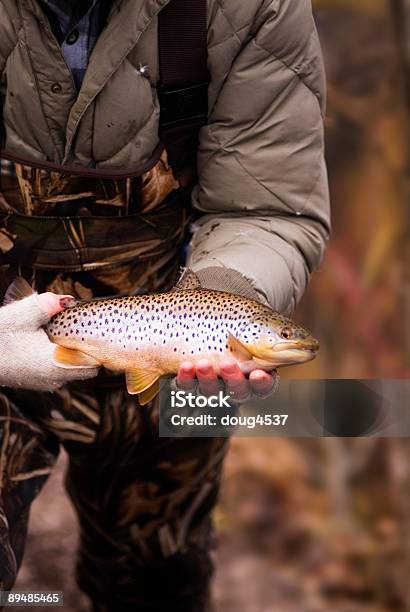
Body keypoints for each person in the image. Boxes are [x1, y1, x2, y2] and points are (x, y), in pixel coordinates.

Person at [0, 0, 330, 610]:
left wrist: (227, 287)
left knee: (155, 581)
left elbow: (266, 207)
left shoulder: (252, 8)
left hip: (176, 352)